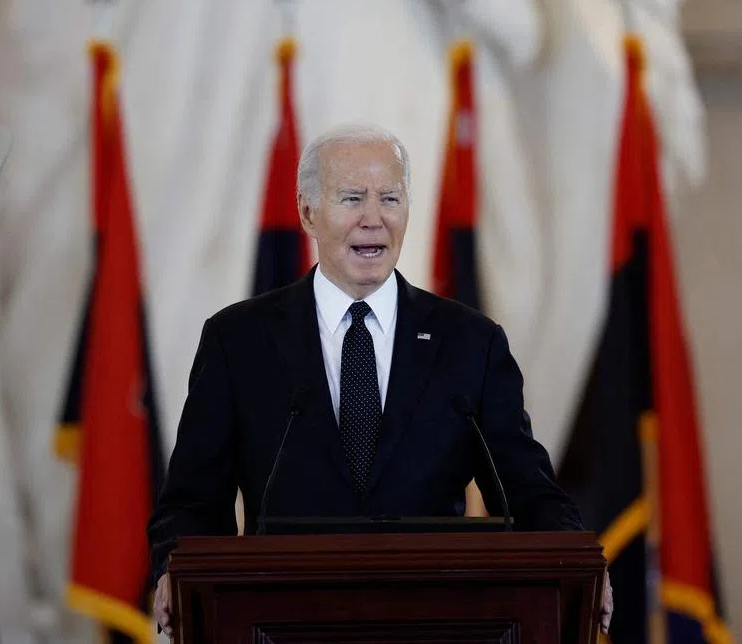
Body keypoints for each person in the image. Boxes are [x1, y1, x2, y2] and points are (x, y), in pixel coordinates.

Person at [147, 122, 612, 637]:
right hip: (279, 623)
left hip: (440, 623)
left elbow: (529, 490)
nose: (373, 219)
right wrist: (175, 567)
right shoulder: (238, 342)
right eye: (351, 199)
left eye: (390, 198)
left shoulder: (470, 343)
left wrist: (580, 561)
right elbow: (192, 501)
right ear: (308, 212)